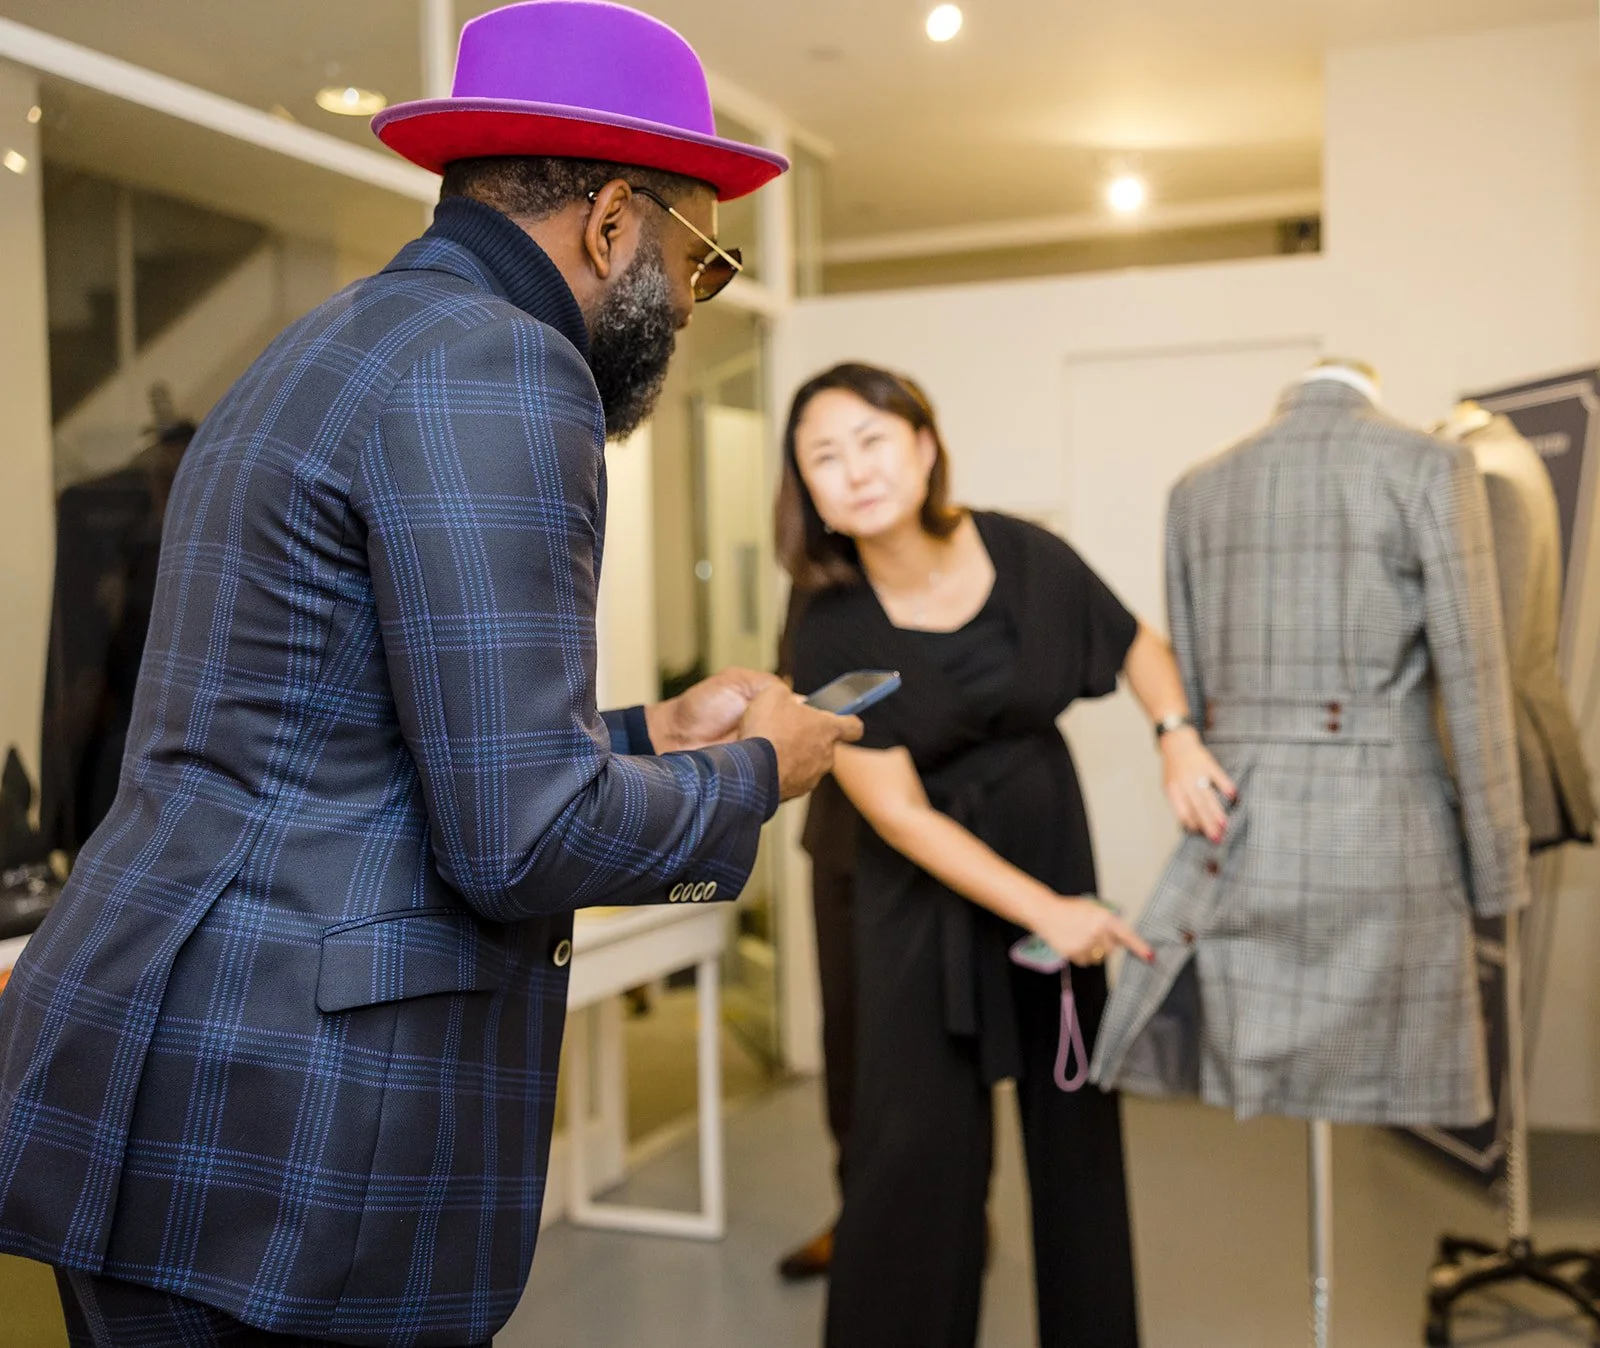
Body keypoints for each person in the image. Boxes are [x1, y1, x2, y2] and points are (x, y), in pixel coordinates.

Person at [0, 4, 857, 1345]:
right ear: (616, 220)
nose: (691, 306)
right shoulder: (509, 366)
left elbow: (342, 736)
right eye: (701, 262)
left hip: (176, 1075)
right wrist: (757, 775)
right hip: (289, 1129)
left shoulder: (332, 342)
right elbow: (520, 835)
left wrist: (651, 730)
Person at [780, 362, 1233, 1348]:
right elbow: (896, 812)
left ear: (924, 446)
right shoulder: (827, 623)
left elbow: (1135, 643)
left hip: (1038, 834)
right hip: (905, 885)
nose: (853, 470)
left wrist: (1176, 733)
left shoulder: (1027, 554)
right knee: (911, 1151)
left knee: (1074, 1125)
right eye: (824, 456)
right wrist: (1049, 911)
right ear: (805, 490)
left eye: (872, 440)